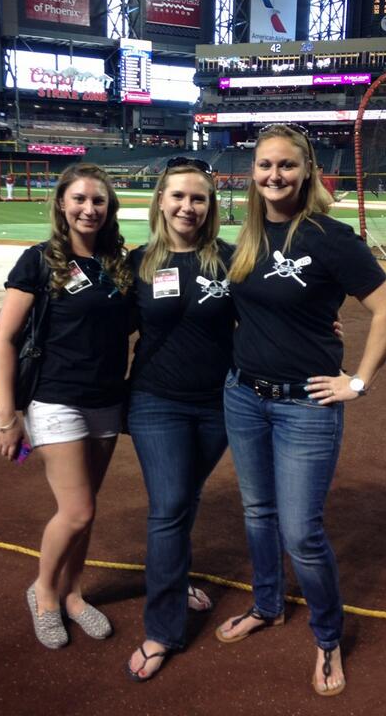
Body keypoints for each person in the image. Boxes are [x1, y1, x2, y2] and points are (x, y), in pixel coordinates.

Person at [215, 124, 386, 697]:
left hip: (306, 406)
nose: (275, 176)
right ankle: (268, 605)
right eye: (265, 165)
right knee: (257, 514)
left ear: (306, 171)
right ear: (252, 172)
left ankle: (327, 638)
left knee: (302, 532)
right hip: (244, 395)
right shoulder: (245, 235)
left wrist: (359, 382)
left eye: (287, 166)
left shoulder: (329, 237)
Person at [0, 163, 131, 650]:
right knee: (77, 509)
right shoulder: (38, 262)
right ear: (62, 205)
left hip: (106, 401)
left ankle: (74, 594)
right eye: (80, 199)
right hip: (55, 401)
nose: (89, 208)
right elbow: (5, 340)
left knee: (86, 514)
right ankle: (45, 594)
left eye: (98, 200)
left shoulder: (118, 264)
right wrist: (7, 418)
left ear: (109, 208)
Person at [126, 157, 236, 681]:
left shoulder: (233, 260)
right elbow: (98, 327)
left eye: (198, 198)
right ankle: (162, 629)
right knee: (168, 506)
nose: (187, 207)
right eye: (178, 197)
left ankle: (174, 576)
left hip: (219, 404)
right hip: (156, 401)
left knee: (186, 497)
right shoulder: (138, 263)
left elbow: (275, 309)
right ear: (161, 201)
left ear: (210, 206)